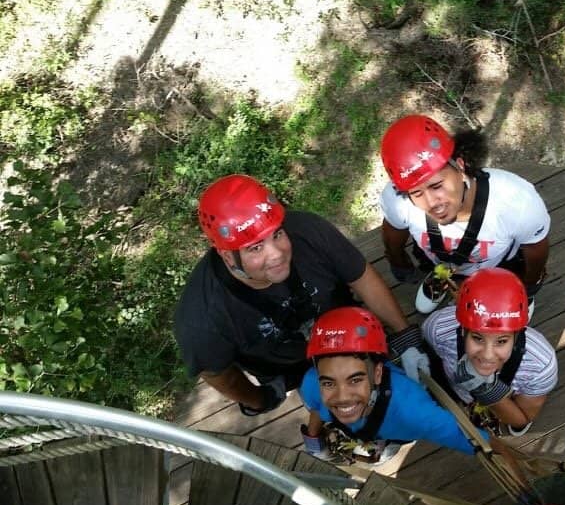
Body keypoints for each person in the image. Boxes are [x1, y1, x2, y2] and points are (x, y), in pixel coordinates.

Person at [174, 174, 430, 416]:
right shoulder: (203, 318)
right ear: (227, 256)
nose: (276, 253)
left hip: (346, 330)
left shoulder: (307, 231)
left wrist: (404, 336)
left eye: (277, 234)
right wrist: (260, 398)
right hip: (288, 367)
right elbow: (218, 373)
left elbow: (361, 277)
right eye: (256, 248)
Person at [379, 114, 550, 315]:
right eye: (416, 193)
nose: (432, 203)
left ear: (460, 166)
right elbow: (393, 230)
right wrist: (399, 262)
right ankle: (442, 279)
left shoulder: (516, 201)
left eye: (437, 186)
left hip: (502, 267)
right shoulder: (398, 201)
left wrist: (528, 286)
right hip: (440, 261)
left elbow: (536, 249)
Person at [299, 306, 485, 459]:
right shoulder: (311, 383)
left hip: (396, 425)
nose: (342, 397)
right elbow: (316, 408)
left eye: (355, 380)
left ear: (378, 373)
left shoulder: (416, 413)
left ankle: (388, 440)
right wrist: (313, 440)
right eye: (329, 383)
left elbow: (484, 444)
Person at [422, 267, 557, 436]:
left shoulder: (541, 365)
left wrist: (485, 390)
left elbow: (522, 418)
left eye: (501, 341)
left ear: (517, 335)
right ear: (463, 331)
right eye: (477, 338)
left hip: (507, 401)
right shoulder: (438, 329)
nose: (487, 355)